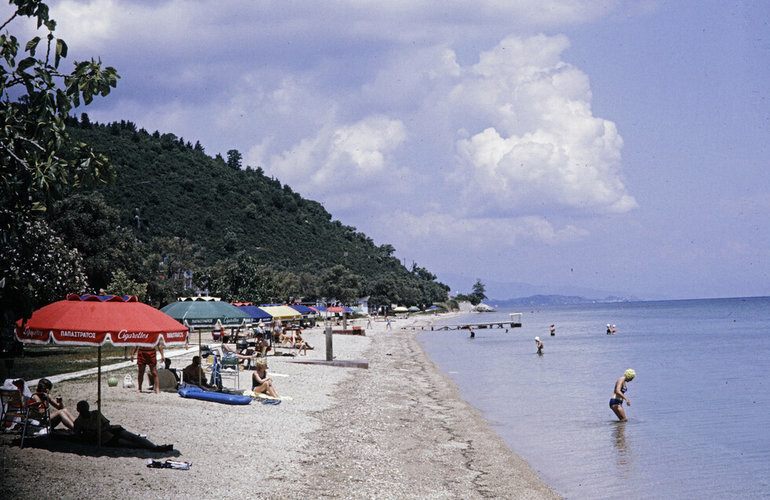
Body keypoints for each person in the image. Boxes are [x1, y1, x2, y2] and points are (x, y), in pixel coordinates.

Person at [73, 400, 172, 451]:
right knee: (129, 444)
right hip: (105, 438)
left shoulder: (95, 413)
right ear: (78, 410)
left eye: (85, 409)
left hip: (112, 430)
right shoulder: (78, 422)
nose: (85, 411)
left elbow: (107, 423)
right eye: (83, 410)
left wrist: (100, 430)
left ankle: (155, 447)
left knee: (133, 437)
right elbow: (79, 436)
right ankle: (152, 448)